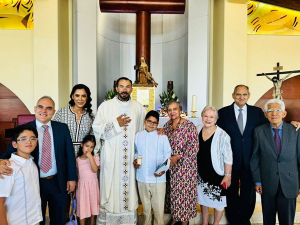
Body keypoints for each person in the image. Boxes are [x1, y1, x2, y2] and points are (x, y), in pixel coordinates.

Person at [217, 85, 300, 225]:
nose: (241, 97)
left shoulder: (257, 112)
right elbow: (217, 132)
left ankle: (245, 219)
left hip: (250, 159)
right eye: (238, 94)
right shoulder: (223, 113)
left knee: (248, 194)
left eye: (244, 94)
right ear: (233, 95)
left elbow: (274, 124)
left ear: (248, 96)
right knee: (230, 192)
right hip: (230, 160)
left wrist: (290, 124)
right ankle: (233, 219)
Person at [0, 96, 77, 225]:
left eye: (49, 108)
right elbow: (9, 151)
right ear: (35, 109)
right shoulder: (24, 128)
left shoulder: (62, 128)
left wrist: (72, 178)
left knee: (59, 217)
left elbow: (69, 154)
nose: (44, 111)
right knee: (36, 217)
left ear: (54, 112)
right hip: (34, 181)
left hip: (58, 181)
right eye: (40, 107)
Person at [92, 77, 146, 224]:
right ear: (116, 88)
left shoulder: (139, 108)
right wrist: (116, 124)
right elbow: (97, 129)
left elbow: (143, 134)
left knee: (129, 190)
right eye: (121, 86)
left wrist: (138, 157)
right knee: (110, 187)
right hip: (111, 156)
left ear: (131, 89)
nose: (124, 89)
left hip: (130, 159)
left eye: (127, 87)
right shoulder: (105, 106)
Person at [250, 99, 300, 225]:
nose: (274, 113)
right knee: (268, 220)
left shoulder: (295, 131)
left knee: (287, 221)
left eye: (278, 110)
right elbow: (255, 158)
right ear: (266, 114)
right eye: (270, 111)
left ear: (284, 113)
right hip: (267, 183)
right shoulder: (259, 131)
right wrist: (257, 181)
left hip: (289, 182)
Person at [133, 110, 172, 225]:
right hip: (142, 177)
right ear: (144, 121)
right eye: (149, 121)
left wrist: (163, 170)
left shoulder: (162, 136)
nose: (151, 124)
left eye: (154, 123)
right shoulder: (138, 135)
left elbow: (168, 154)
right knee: (145, 209)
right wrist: (135, 160)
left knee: (159, 210)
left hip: (158, 179)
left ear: (157, 124)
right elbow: (135, 151)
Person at [163, 101, 199, 225]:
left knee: (184, 194)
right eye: (169, 110)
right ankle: (175, 217)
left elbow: (194, 147)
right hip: (171, 166)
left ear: (180, 110)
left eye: (175, 109)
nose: (172, 112)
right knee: (174, 193)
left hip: (186, 166)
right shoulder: (167, 126)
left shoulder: (189, 125)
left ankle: (184, 221)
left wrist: (178, 157)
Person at [197, 106, 233, 225]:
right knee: (203, 199)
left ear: (216, 119)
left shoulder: (223, 135)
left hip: (217, 173)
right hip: (201, 173)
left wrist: (227, 175)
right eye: (205, 116)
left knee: (219, 201)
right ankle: (205, 222)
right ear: (202, 117)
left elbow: (228, 157)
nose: (208, 119)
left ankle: (216, 223)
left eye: (211, 117)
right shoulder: (197, 130)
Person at [0, 125, 42, 225]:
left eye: (33, 139)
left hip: (35, 220)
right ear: (14, 144)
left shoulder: (33, 164)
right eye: (23, 139)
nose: (29, 142)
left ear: (36, 143)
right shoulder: (8, 167)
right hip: (17, 221)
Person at [53, 84, 94, 156]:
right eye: (77, 95)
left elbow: (92, 138)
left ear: (87, 98)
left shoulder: (90, 116)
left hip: (83, 156)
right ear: (72, 97)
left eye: (83, 96)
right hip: (64, 153)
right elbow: (53, 132)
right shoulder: (62, 112)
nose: (80, 99)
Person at [76, 135, 100, 225]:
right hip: (82, 188)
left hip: (93, 187)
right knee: (82, 208)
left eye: (91, 147)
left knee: (93, 208)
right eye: (87, 146)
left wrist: (90, 157)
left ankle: (92, 223)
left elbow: (95, 170)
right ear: (82, 145)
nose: (89, 149)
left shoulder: (95, 158)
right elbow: (77, 175)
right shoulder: (78, 160)